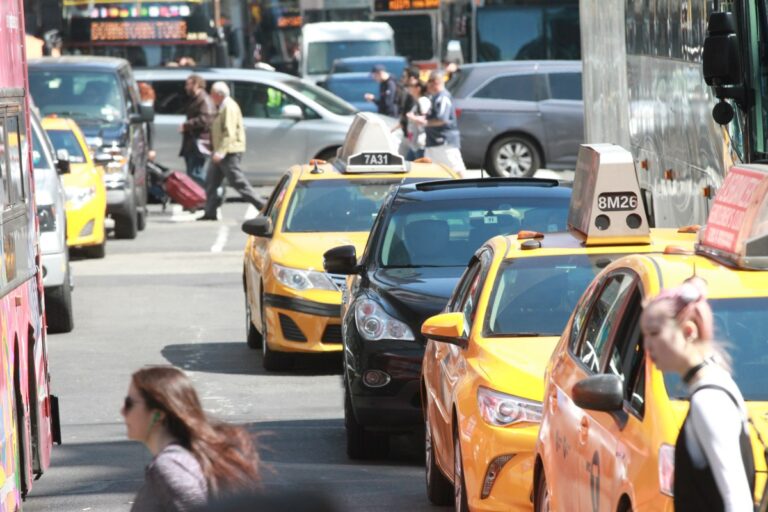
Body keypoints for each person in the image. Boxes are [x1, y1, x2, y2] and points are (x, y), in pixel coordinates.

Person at [640, 277, 755, 512]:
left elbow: (737, 500)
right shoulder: (718, 383)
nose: (647, 345)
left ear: (688, 331)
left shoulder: (709, 400)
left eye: (654, 333)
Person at [122, 366, 259, 511]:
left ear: (158, 414)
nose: (123, 411)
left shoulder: (169, 467)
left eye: (129, 403)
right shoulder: (182, 457)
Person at [199, 81, 265, 221]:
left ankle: (263, 206)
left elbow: (229, 132)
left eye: (212, 93)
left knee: (238, 182)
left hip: (229, 151)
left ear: (218, 94)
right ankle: (210, 211)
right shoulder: (222, 106)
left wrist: (220, 152)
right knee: (211, 181)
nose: (210, 96)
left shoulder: (229, 107)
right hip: (220, 151)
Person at [408, 70, 466, 173]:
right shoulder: (436, 97)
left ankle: (468, 189)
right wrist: (421, 119)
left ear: (435, 82)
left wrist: (424, 122)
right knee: (428, 171)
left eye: (429, 81)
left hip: (444, 142)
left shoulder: (443, 97)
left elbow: (442, 119)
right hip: (433, 143)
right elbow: (432, 117)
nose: (427, 85)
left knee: (457, 171)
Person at [179, 75, 215, 188]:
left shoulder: (204, 99)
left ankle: (214, 191)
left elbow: (206, 118)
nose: (186, 87)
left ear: (196, 84)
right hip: (192, 142)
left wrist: (187, 125)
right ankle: (201, 197)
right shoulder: (195, 99)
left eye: (188, 84)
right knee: (191, 173)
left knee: (196, 172)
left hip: (199, 141)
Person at [403, 79, 430, 161]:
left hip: (420, 142)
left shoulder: (423, 101)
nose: (409, 88)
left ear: (418, 88)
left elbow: (425, 118)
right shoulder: (417, 101)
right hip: (414, 143)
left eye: (411, 86)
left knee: (420, 169)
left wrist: (413, 117)